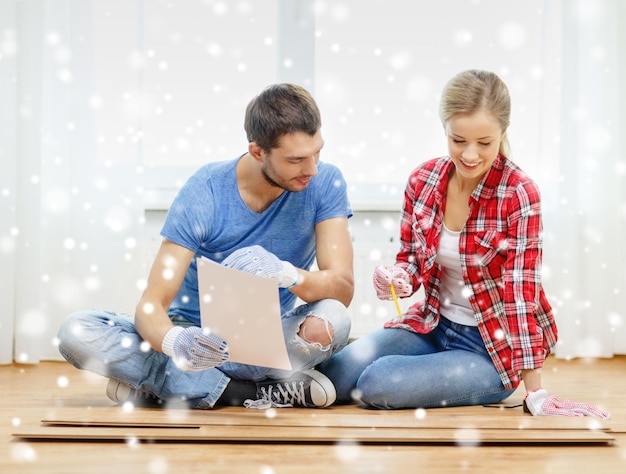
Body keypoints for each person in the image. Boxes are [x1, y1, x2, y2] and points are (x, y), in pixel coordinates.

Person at [319, 70, 609, 418]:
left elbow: (521, 294)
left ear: (503, 132)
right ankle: (254, 386)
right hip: (432, 325)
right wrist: (398, 276)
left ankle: (450, 376)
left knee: (376, 383)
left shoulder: (518, 194)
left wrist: (537, 392)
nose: (470, 154)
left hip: (488, 349)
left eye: (484, 143)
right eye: (458, 140)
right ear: (445, 129)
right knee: (335, 374)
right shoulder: (423, 180)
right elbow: (412, 259)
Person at [57, 83, 354, 409]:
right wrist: (174, 341)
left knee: (334, 319)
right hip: (195, 338)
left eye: (317, 152)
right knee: (76, 332)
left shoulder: (326, 182)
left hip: (265, 339)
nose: (311, 169)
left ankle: (167, 384)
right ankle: (255, 392)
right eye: (296, 159)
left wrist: (286, 274)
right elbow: (151, 305)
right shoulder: (204, 192)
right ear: (258, 152)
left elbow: (341, 289)